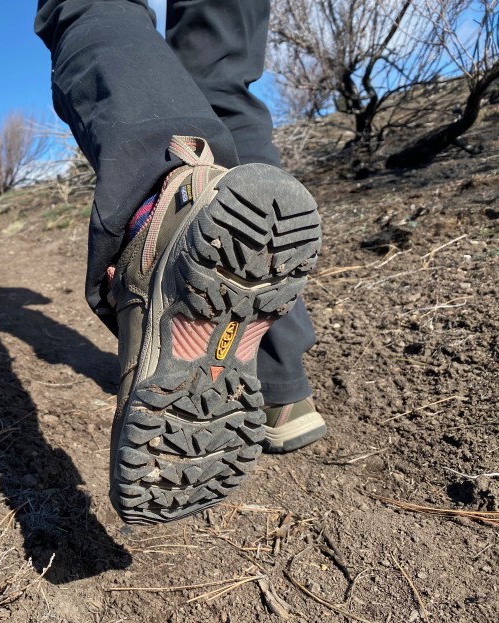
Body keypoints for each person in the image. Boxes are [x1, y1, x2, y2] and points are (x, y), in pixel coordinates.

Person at [35, 0, 326, 525]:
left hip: (171, 226)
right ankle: (280, 388)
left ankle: (163, 210)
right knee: (218, 72)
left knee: (95, 6)